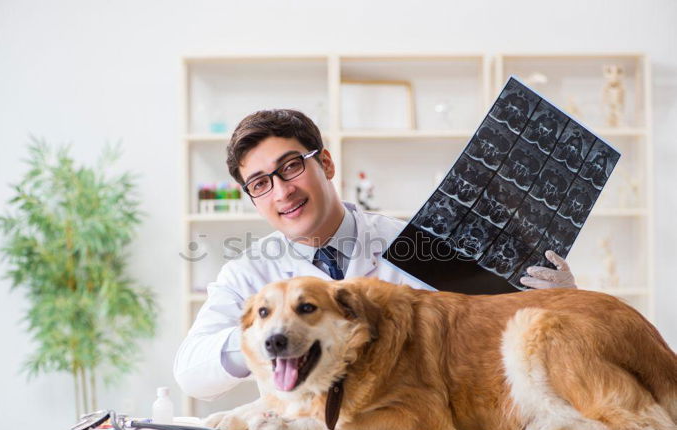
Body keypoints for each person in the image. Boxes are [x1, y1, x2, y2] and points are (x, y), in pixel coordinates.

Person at [173, 109, 577, 402]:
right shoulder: (248, 273)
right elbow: (191, 373)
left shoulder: (418, 242)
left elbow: (501, 326)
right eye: (261, 183)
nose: (282, 192)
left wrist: (557, 300)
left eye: (291, 167)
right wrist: (271, 331)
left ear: (326, 163)